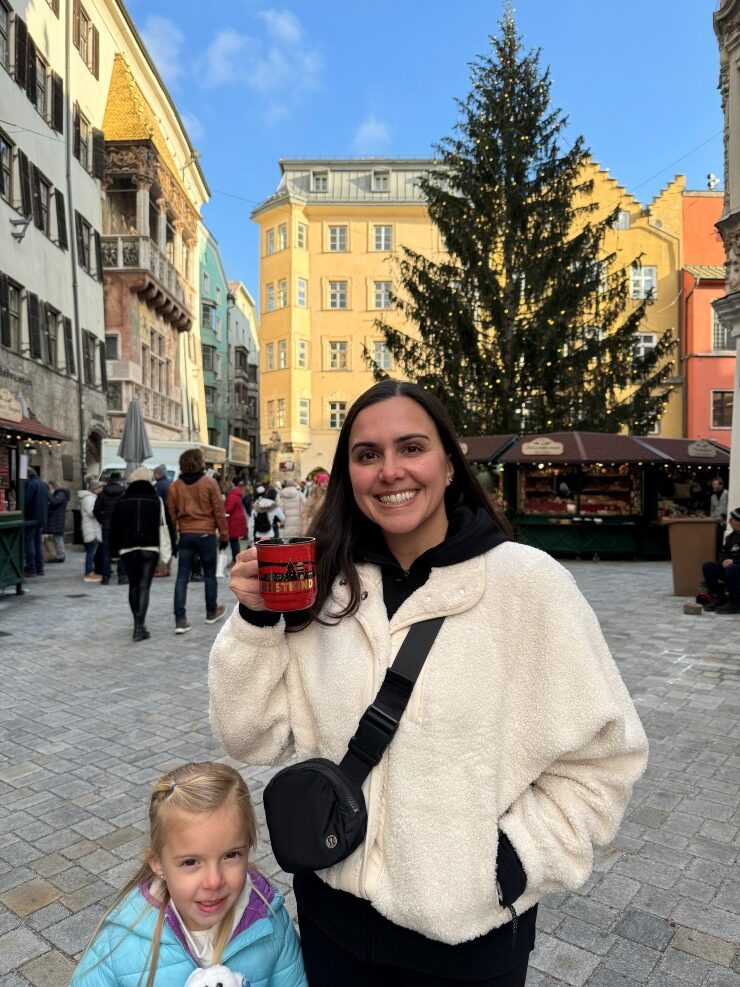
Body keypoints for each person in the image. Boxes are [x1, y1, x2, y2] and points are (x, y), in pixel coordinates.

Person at [209, 379, 648, 987]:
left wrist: (510, 867)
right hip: (332, 915)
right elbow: (249, 737)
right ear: (349, 474)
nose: (390, 471)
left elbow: (607, 756)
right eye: (367, 455)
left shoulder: (528, 586)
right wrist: (257, 622)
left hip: (465, 935)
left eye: (411, 447)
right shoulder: (324, 587)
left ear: (448, 462)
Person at [70, 761, 307, 986]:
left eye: (231, 855)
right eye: (191, 862)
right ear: (158, 863)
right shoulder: (121, 942)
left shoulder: (271, 923)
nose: (214, 881)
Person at [168, 448, 229, 634]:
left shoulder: (175, 486)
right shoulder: (209, 483)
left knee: (181, 577)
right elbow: (219, 511)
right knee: (209, 575)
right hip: (206, 534)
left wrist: (174, 539)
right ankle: (211, 612)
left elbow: (171, 515)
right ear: (199, 462)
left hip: (185, 534)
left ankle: (180, 619)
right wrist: (224, 534)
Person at [109, 467, 162, 641]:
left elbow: (114, 527)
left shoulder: (123, 500)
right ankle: (140, 626)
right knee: (145, 586)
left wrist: (113, 551)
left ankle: (136, 624)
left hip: (128, 547)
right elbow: (164, 524)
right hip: (150, 546)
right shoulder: (156, 500)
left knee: (133, 585)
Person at [703, 506, 740, 614]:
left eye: (732, 519)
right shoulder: (731, 537)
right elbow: (723, 554)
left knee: (732, 568)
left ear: (738, 522)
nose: (729, 521)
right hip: (732, 568)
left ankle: (736, 602)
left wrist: (735, 562)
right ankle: (720, 597)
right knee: (709, 567)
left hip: (736, 568)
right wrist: (725, 560)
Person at [94, 471, 127, 586]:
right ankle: (122, 576)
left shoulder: (102, 494)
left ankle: (106, 577)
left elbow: (96, 511)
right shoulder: (125, 493)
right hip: (122, 526)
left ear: (109, 481)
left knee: (106, 551)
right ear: (119, 481)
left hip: (107, 526)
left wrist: (103, 521)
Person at [23, 466, 49, 576]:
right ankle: (40, 568)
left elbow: (26, 500)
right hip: (41, 517)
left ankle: (31, 568)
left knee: (29, 542)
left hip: (31, 517)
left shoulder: (31, 484)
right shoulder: (43, 484)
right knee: (37, 542)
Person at [78, 477, 103, 583]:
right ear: (95, 488)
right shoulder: (89, 498)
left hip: (93, 527)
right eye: (100, 488)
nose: (101, 490)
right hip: (91, 528)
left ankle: (91, 571)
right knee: (91, 552)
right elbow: (91, 512)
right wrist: (101, 511)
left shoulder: (91, 497)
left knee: (92, 551)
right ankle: (89, 572)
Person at [153, 465, 174, 578]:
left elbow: (156, 502)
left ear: (158, 474)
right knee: (168, 543)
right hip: (171, 518)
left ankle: (162, 568)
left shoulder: (158, 485)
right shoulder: (171, 483)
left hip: (162, 519)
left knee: (162, 543)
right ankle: (168, 567)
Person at [45, 480, 71, 562]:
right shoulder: (59, 494)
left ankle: (60, 556)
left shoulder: (60, 494)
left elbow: (54, 502)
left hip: (57, 519)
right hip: (56, 519)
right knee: (57, 538)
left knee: (58, 538)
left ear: (53, 486)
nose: (49, 489)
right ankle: (59, 555)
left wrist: (48, 495)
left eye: (49, 487)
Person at [224, 480, 247, 563]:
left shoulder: (232, 496)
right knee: (234, 540)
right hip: (237, 520)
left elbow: (228, 509)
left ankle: (236, 558)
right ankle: (236, 558)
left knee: (233, 540)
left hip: (233, 521)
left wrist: (222, 506)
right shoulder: (236, 495)